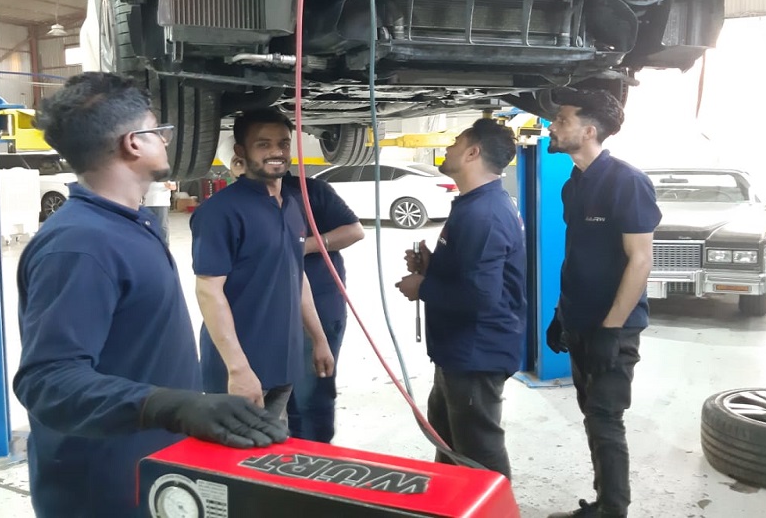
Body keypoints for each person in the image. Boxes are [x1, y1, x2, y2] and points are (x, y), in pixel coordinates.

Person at [13, 72, 288, 518]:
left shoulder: (127, 225)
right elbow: (47, 382)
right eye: (159, 130)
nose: (165, 140)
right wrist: (170, 406)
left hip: (151, 475)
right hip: (104, 492)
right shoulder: (81, 245)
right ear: (133, 144)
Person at [543, 87, 661, 518]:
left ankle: (613, 511)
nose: (552, 126)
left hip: (615, 328)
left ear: (589, 131)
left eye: (562, 120)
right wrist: (561, 314)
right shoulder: (573, 185)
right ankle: (603, 503)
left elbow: (640, 260)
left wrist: (611, 329)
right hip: (579, 322)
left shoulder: (627, 182)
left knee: (606, 418)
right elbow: (578, 256)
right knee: (592, 416)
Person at [395, 118, 526, 480]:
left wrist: (422, 287)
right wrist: (432, 266)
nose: (448, 147)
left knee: (478, 452)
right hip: (459, 349)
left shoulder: (484, 214)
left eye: (456, 142)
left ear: (472, 153)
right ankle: (451, 502)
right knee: (448, 438)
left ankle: (493, 505)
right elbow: (473, 274)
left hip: (476, 353)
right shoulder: (475, 204)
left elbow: (481, 296)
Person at [192, 108, 335, 423]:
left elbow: (297, 277)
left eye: (283, 143)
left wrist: (319, 339)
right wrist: (237, 369)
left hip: (283, 365)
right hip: (238, 371)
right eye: (263, 144)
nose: (276, 152)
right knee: (234, 450)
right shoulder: (220, 212)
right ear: (240, 151)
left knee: (272, 445)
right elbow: (208, 291)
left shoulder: (291, 206)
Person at [282, 170, 365, 442]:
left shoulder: (310, 191)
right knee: (284, 402)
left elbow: (354, 231)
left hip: (320, 306)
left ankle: (316, 457)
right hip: (273, 314)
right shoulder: (246, 200)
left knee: (311, 400)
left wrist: (305, 246)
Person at [144, 180, 174, 244]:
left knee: (162, 226)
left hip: (161, 203)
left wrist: (168, 185)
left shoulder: (167, 176)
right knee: (149, 225)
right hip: (148, 203)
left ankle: (164, 245)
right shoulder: (149, 176)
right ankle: (152, 244)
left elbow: (173, 187)